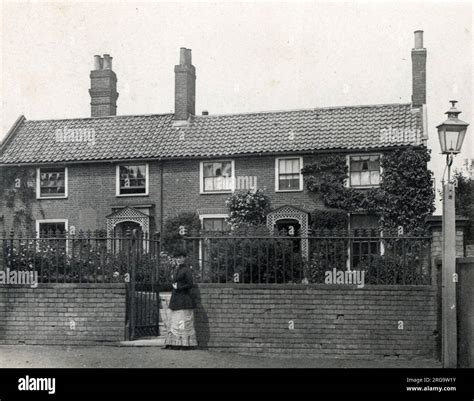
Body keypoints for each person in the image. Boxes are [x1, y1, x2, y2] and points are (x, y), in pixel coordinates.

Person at [164, 250, 197, 350]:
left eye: (180, 257)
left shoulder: (186, 270)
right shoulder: (175, 269)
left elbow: (190, 284)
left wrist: (179, 287)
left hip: (184, 299)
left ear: (184, 258)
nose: (178, 259)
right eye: (177, 258)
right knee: (174, 321)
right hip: (175, 299)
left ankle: (184, 344)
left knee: (182, 322)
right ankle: (174, 343)